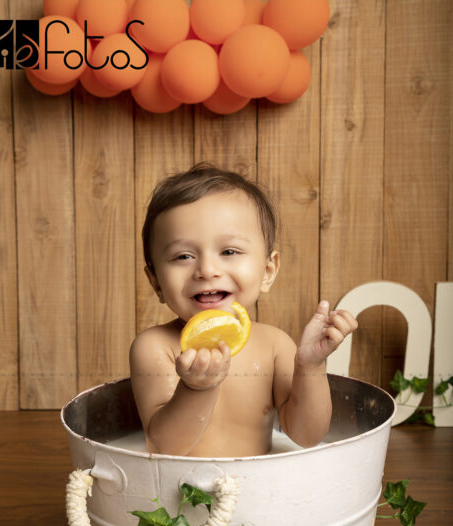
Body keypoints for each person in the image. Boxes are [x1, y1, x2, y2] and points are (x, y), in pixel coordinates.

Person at [130, 163, 358, 457]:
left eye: (228, 252)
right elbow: (164, 446)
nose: (207, 270)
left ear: (267, 270)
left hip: (258, 492)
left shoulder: (274, 345)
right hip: (178, 496)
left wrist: (310, 367)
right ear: (157, 283)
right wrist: (196, 389)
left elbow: (307, 436)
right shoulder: (155, 348)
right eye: (183, 256)